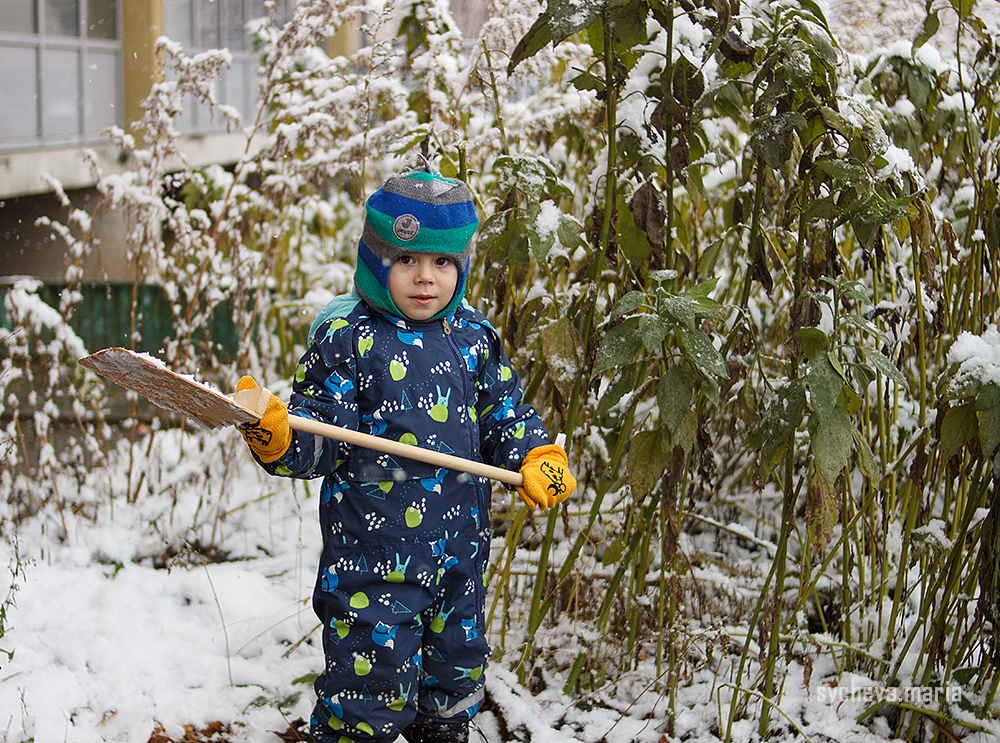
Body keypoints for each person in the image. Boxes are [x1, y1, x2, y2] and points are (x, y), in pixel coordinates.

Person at [236, 167, 576, 743]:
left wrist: (535, 452)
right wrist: (281, 440)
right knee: (367, 701)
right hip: (373, 569)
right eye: (406, 261)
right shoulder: (347, 336)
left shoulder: (472, 337)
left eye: (442, 263)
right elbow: (320, 433)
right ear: (376, 261)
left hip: (459, 565)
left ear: (460, 267)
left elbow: (505, 413)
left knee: (452, 689)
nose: (426, 278)